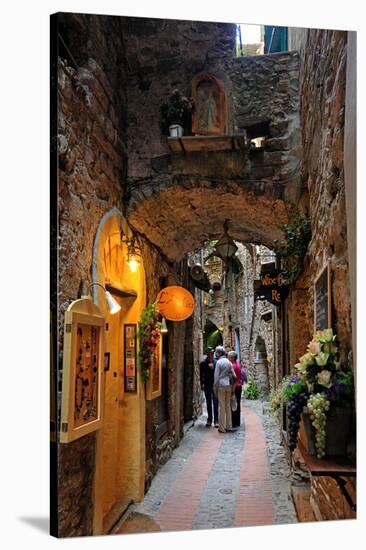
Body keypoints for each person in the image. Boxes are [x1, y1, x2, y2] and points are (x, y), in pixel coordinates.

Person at [213, 346, 237, 433]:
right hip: (228, 385)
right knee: (227, 405)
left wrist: (215, 388)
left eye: (216, 352)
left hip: (221, 385)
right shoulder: (229, 362)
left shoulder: (219, 362)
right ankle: (229, 426)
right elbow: (234, 375)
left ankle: (222, 428)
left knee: (222, 406)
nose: (216, 354)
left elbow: (216, 377)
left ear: (219, 353)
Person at [200, 348, 219, 427]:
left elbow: (218, 373)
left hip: (215, 385)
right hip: (207, 384)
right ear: (207, 354)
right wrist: (202, 383)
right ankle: (209, 419)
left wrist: (213, 368)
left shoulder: (216, 362)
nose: (210, 355)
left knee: (215, 402)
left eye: (212, 353)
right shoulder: (203, 363)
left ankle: (216, 420)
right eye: (209, 353)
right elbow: (202, 375)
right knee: (208, 403)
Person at [228, 351, 242, 428]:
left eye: (229, 357)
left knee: (233, 404)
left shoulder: (233, 366)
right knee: (237, 404)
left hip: (235, 387)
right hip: (239, 386)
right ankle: (237, 422)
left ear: (233, 358)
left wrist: (232, 390)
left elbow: (234, 378)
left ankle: (233, 422)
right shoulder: (237, 364)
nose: (228, 358)